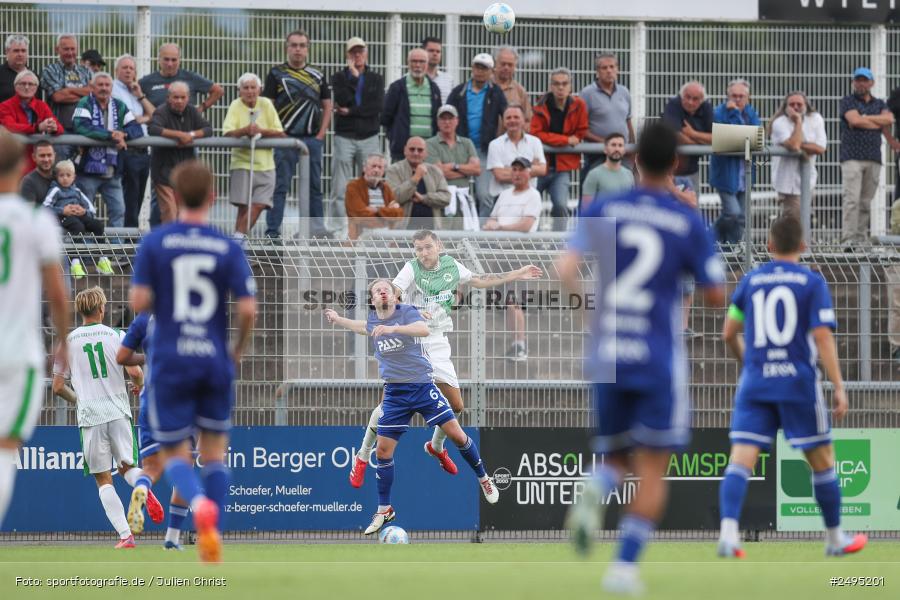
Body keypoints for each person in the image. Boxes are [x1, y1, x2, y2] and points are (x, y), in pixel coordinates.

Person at [559, 121, 726, 595]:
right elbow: (715, 295)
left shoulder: (607, 207)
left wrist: (589, 319)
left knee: (614, 454)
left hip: (609, 351)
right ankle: (623, 569)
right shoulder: (685, 219)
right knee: (653, 467)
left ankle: (597, 484)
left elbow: (565, 268)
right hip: (657, 354)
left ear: (633, 159)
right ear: (676, 163)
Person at [129, 159, 257, 563]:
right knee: (215, 452)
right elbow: (249, 308)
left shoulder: (155, 242)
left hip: (170, 360)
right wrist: (234, 352)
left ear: (173, 196)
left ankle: (198, 504)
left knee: (174, 455)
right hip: (214, 359)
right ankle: (210, 528)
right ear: (214, 198)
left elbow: (139, 302)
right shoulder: (227, 246)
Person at [718, 216, 867, 559]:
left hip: (756, 383)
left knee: (740, 461)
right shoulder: (811, 282)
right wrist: (839, 386)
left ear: (769, 246)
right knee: (822, 460)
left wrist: (749, 364)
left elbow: (728, 332)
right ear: (803, 246)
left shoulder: (752, 280)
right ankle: (834, 538)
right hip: (797, 384)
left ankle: (728, 534)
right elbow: (822, 336)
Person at [349, 230, 541, 487]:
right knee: (386, 406)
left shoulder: (452, 265)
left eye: (428, 247)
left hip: (438, 341)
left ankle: (436, 445)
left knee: (457, 405)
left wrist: (516, 273)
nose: (424, 253)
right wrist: (411, 310)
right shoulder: (410, 268)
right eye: (418, 249)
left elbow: (479, 280)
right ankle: (362, 455)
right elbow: (394, 291)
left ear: (438, 246)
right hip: (413, 338)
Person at [325, 278, 500, 536]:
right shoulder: (374, 321)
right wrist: (339, 319)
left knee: (457, 434)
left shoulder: (406, 312)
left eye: (386, 288)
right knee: (383, 452)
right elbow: (362, 326)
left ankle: (484, 479)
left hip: (422, 387)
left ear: (394, 297)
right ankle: (384, 509)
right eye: (376, 290)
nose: (382, 290)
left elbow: (423, 330)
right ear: (372, 300)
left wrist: (393, 330)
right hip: (396, 394)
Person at [0, 129, 69, 531]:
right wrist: (63, 341)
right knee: (5, 451)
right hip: (17, 352)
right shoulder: (36, 220)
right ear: (24, 166)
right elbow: (58, 294)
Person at [50, 286, 156, 548]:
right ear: (101, 309)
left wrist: (79, 400)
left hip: (91, 416)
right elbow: (135, 373)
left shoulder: (67, 342)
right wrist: (140, 387)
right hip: (118, 411)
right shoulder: (117, 335)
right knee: (127, 467)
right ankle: (143, 488)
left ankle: (125, 536)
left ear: (80, 310)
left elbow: (57, 386)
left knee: (102, 478)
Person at [116, 313, 190, 550]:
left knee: (150, 468)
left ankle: (141, 488)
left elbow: (122, 356)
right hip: (180, 397)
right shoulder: (189, 312)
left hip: (151, 397)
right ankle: (172, 537)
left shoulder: (143, 319)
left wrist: (150, 356)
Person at [263, 29, 332, 239]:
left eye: (302, 45)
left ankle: (317, 229)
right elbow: (268, 106)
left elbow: (328, 105)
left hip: (312, 140)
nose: (298, 49)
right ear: (287, 48)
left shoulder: (318, 75)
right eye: (294, 45)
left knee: (314, 187)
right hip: (285, 140)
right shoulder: (276, 74)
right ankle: (273, 232)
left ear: (307, 49)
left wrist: (321, 134)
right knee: (280, 186)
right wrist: (277, 133)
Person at [72, 71, 144, 228]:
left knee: (119, 211)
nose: (104, 88)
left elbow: (136, 129)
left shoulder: (119, 105)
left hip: (113, 171)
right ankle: (86, 251)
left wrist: (123, 134)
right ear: (92, 87)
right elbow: (81, 127)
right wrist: (111, 136)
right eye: (100, 85)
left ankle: (114, 252)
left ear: (112, 87)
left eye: (107, 85)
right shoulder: (84, 103)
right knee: (86, 212)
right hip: (87, 171)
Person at [330, 37, 384, 230]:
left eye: (360, 51)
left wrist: (351, 112)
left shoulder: (376, 78)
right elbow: (343, 100)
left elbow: (376, 106)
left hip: (369, 136)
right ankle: (338, 228)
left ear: (366, 53)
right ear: (348, 55)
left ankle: (370, 227)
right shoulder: (338, 77)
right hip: (345, 136)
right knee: (340, 186)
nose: (357, 54)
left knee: (372, 181)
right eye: (353, 51)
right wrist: (353, 78)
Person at [222, 72, 285, 238]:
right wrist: (245, 131)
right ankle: (239, 247)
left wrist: (260, 131)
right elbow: (227, 133)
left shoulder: (266, 104)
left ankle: (236, 239)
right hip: (241, 163)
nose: (250, 91)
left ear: (260, 89)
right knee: (243, 207)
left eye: (253, 87)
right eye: (246, 88)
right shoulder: (235, 105)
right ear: (239, 90)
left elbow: (280, 133)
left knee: (260, 204)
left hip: (266, 165)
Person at [446, 53, 507, 216]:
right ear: (472, 68)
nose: (480, 71)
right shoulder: (458, 92)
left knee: (485, 195)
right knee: (455, 194)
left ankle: (481, 237)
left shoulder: (496, 93)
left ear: (491, 72)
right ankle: (460, 233)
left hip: (485, 150)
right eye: (477, 67)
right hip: (460, 149)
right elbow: (446, 116)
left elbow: (507, 116)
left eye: (484, 68)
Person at [839, 67, 893, 248]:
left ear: (871, 83)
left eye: (864, 80)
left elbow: (889, 120)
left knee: (865, 202)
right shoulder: (848, 101)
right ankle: (848, 240)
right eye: (858, 80)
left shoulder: (880, 103)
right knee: (851, 199)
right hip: (852, 157)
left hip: (873, 157)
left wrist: (865, 118)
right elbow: (854, 120)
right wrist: (876, 121)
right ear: (853, 82)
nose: (860, 83)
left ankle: (860, 240)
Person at [146, 81, 213, 224]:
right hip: (164, 172)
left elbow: (208, 129)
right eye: (176, 97)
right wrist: (178, 135)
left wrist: (192, 135)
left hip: (186, 173)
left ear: (188, 98)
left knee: (184, 212)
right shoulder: (161, 111)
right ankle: (170, 244)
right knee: (170, 211)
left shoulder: (192, 111)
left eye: (183, 97)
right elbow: (153, 129)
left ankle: (185, 243)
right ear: (168, 97)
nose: (179, 101)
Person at [530, 67, 588, 230]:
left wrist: (557, 140)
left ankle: (559, 243)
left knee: (561, 206)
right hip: (539, 165)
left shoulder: (579, 105)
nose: (560, 87)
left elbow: (581, 130)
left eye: (564, 84)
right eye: (556, 84)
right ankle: (535, 243)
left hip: (562, 167)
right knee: (532, 205)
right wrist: (565, 140)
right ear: (551, 86)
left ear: (570, 86)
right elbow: (536, 133)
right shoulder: (541, 104)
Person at [41, 159, 114, 278]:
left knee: (98, 225)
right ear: (56, 177)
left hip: (79, 217)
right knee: (78, 227)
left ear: (74, 177)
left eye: (68, 175)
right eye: (61, 175)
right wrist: (62, 211)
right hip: (63, 219)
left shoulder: (77, 191)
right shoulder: (55, 190)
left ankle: (103, 259)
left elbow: (91, 209)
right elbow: (45, 207)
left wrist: (83, 211)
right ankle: (75, 263)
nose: (65, 178)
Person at [710, 79, 761, 245]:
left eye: (741, 96)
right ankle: (709, 238)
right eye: (734, 96)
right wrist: (734, 114)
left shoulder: (751, 112)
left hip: (744, 174)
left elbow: (754, 138)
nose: (738, 99)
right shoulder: (719, 112)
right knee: (732, 212)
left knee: (741, 218)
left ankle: (731, 251)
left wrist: (743, 138)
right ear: (727, 96)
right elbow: (736, 136)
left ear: (748, 97)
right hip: (725, 174)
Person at [769, 91, 827, 221]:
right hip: (787, 183)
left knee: (801, 220)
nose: (795, 107)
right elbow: (795, 146)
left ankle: (784, 240)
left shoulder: (816, 119)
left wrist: (796, 144)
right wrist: (798, 122)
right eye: (791, 104)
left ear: (806, 105)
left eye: (799, 104)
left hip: (807, 181)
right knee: (794, 220)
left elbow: (820, 148)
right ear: (785, 107)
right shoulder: (779, 123)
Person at [112, 54, 155, 228]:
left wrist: (140, 96)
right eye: (124, 67)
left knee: (137, 200)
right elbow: (124, 119)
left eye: (131, 68)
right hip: (127, 151)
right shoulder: (113, 89)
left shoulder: (137, 91)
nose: (128, 71)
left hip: (144, 152)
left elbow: (153, 115)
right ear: (116, 71)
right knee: (128, 202)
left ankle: (129, 243)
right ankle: (127, 246)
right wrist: (139, 119)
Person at [580, 52, 634, 180]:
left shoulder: (624, 92)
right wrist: (606, 143)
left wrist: (632, 146)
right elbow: (581, 128)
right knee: (593, 192)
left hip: (622, 154)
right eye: (604, 68)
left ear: (617, 69)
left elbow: (628, 121)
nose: (609, 71)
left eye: (612, 67)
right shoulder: (587, 94)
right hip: (597, 154)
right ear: (597, 72)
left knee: (624, 192)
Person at [382, 48, 441, 162]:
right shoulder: (397, 88)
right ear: (408, 63)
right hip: (403, 150)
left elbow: (437, 118)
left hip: (428, 150)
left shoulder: (434, 89)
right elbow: (385, 118)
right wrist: (395, 137)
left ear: (427, 64)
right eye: (414, 61)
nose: (417, 65)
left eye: (422, 61)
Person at [426, 104, 481, 225]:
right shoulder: (430, 144)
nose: (447, 122)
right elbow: (438, 172)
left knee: (463, 238)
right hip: (441, 198)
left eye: (450, 118)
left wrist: (454, 166)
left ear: (457, 121)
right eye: (443, 119)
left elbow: (477, 169)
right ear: (438, 122)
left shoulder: (467, 143)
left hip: (463, 198)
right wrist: (465, 172)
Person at [39, 34, 92, 159]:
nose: (70, 52)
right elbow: (58, 97)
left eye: (73, 49)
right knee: (61, 173)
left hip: (84, 130)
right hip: (60, 132)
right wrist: (83, 92)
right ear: (57, 50)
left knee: (81, 175)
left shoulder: (85, 71)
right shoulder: (50, 70)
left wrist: (67, 90)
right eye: (66, 49)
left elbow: (93, 94)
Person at [0, 70, 61, 173]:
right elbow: (10, 127)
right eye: (23, 83)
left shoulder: (42, 105)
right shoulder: (4, 106)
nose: (27, 87)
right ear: (15, 87)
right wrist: (37, 127)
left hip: (36, 160)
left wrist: (53, 128)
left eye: (31, 84)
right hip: (14, 158)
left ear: (36, 88)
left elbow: (59, 128)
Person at [487, 105, 547, 210]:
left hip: (529, 199)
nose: (512, 120)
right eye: (508, 118)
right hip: (503, 199)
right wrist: (530, 168)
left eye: (516, 117)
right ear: (503, 121)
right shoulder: (495, 144)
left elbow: (542, 170)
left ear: (524, 120)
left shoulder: (535, 142)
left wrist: (508, 170)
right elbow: (500, 176)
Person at [384, 136, 450, 230]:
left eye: (420, 150)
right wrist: (415, 178)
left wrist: (424, 198)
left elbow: (446, 198)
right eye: (412, 149)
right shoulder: (394, 170)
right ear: (405, 150)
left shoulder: (435, 171)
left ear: (426, 153)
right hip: (403, 231)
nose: (415, 153)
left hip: (431, 231)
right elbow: (393, 197)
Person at [661, 81, 713, 195]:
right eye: (687, 97)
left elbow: (716, 138)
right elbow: (675, 134)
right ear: (681, 96)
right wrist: (701, 145)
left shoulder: (707, 108)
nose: (690, 102)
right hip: (669, 170)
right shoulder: (673, 105)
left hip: (692, 170)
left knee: (692, 206)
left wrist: (692, 133)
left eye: (695, 99)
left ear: (702, 100)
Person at [138, 43, 224, 110]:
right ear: (159, 59)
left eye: (174, 60)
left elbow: (218, 91)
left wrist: (201, 109)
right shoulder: (147, 81)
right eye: (166, 59)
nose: (170, 64)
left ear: (180, 60)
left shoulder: (191, 77)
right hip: (157, 130)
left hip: (185, 129)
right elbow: (131, 92)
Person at [345, 154, 403, 240]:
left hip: (386, 239)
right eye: (373, 166)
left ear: (383, 171)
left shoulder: (386, 188)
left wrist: (377, 210)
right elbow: (359, 215)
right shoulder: (353, 186)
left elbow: (399, 214)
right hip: (360, 239)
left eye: (380, 167)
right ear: (364, 168)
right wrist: (387, 215)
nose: (376, 170)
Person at [580, 132, 634, 209]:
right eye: (613, 145)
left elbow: (631, 203)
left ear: (624, 150)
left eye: (620, 145)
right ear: (605, 149)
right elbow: (586, 207)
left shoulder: (629, 174)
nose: (617, 149)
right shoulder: (593, 174)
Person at [493, 46, 532, 124]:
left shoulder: (520, 91)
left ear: (515, 67)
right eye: (503, 64)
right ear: (495, 64)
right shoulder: (485, 86)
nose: (506, 68)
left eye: (510, 65)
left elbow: (528, 120)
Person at [422, 37, 453, 104]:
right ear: (423, 52)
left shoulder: (448, 80)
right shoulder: (410, 78)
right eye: (431, 51)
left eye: (438, 51)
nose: (435, 54)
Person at [0, 34, 30, 103]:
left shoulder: (33, 75)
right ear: (7, 52)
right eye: (16, 51)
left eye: (23, 51)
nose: (20, 54)